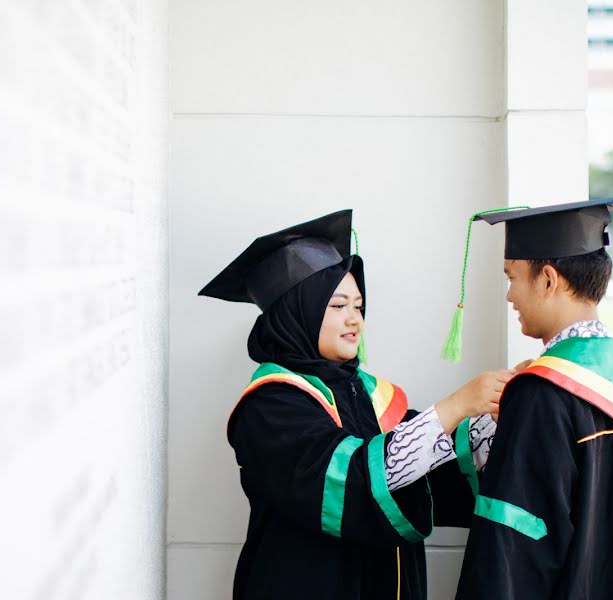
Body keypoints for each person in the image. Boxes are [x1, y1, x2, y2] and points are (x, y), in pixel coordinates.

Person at [199, 210, 513, 600]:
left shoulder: (364, 390)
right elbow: (353, 478)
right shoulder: (270, 405)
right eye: (337, 306)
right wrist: (455, 405)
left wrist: (501, 409)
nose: (356, 321)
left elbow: (427, 467)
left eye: (358, 306)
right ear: (297, 312)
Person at [454, 194, 613, 599]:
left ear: (547, 279)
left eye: (511, 277)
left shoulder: (541, 394)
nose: (510, 296)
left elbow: (513, 546)